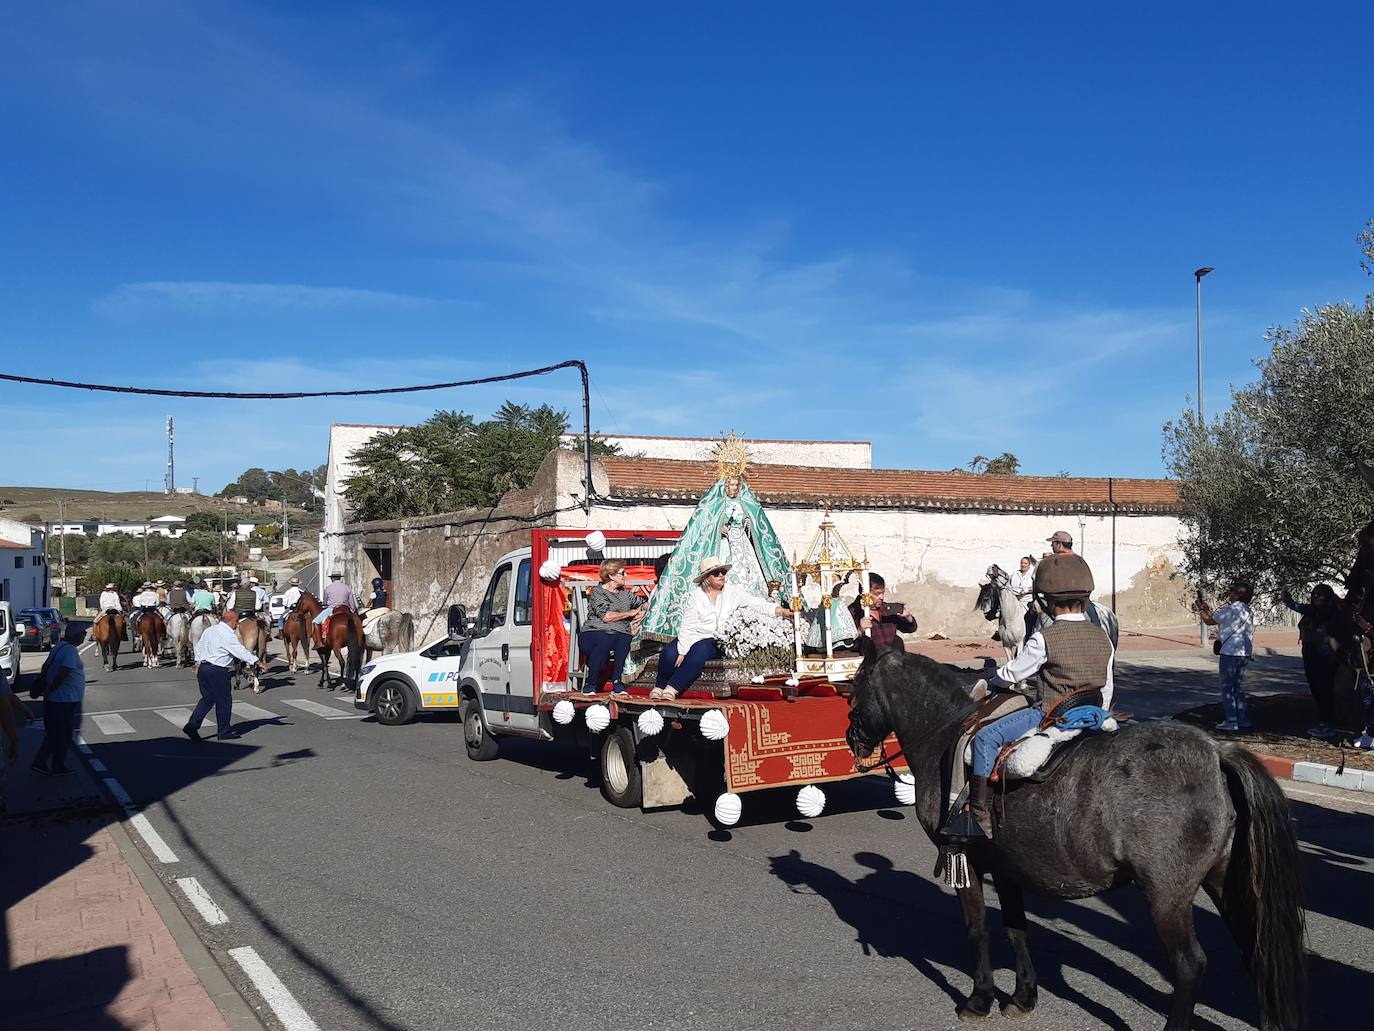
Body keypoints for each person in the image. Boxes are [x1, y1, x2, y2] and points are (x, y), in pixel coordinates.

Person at [954, 553, 1114, 839]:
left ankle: (979, 813)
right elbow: (1107, 686)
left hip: (1052, 713)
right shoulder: (1103, 637)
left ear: (1047, 601)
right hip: (1095, 712)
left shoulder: (1044, 638)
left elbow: (1015, 673)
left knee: (985, 739)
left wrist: (994, 678)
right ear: (1085, 598)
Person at [652, 556, 791, 701]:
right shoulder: (695, 596)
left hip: (716, 640)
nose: (721, 576)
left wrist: (782, 611)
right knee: (669, 653)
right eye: (716, 573)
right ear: (706, 578)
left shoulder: (733, 592)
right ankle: (660, 685)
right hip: (694, 635)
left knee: (700, 649)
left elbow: (756, 604)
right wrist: (682, 651)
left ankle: (673, 688)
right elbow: (688, 625)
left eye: (723, 572)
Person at [186, 610, 269, 741]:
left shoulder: (210, 630)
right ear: (230, 621)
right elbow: (239, 651)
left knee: (207, 699)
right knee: (224, 701)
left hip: (204, 668)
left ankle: (192, 725)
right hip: (218, 670)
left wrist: (198, 661)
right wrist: (257, 661)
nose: (237, 624)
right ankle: (223, 732)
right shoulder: (227, 634)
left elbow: (199, 646)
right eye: (236, 621)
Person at [1281, 585, 1340, 738]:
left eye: (1319, 594)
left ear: (1327, 596)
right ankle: (1323, 721)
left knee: (1325, 689)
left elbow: (1332, 635)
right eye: (1313, 594)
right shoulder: (1310, 610)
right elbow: (1293, 604)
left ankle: (1328, 723)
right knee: (1315, 688)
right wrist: (1285, 595)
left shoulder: (1332, 612)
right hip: (1310, 653)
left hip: (1325, 655)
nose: (1315, 597)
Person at [580, 560, 645, 695]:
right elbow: (606, 616)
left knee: (625, 639)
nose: (625, 576)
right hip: (595, 630)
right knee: (603, 641)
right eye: (622, 573)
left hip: (619, 631)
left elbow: (644, 603)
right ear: (611, 575)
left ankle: (617, 682)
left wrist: (642, 613)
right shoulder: (598, 592)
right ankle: (591, 684)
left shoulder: (625, 594)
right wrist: (630, 613)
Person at [1198, 581, 1255, 732]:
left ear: (1237, 594)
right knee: (1237, 686)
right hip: (1244, 651)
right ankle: (1242, 718)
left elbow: (1209, 620)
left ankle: (1231, 720)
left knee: (1227, 687)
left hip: (1230, 651)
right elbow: (1218, 618)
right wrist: (1207, 610)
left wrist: (1201, 609)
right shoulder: (1248, 610)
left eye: (1232, 591)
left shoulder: (1230, 610)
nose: (1229, 593)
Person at [31, 625, 88, 776]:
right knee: (62, 734)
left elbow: (45, 666)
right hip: (64, 699)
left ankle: (51, 763)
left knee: (55, 732)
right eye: (82, 633)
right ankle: (51, 763)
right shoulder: (70, 651)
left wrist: (46, 685)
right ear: (75, 635)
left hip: (57, 699)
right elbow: (63, 674)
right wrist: (51, 689)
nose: (84, 636)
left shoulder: (59, 647)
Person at [848, 573, 917, 653]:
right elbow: (850, 646)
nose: (881, 597)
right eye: (877, 594)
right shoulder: (853, 613)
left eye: (882, 593)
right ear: (865, 594)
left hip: (894, 658)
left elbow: (910, 629)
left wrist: (908, 617)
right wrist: (860, 630)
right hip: (873, 661)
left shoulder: (886, 609)